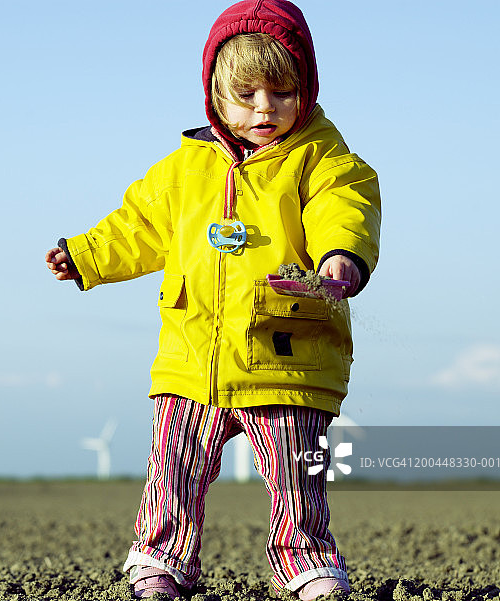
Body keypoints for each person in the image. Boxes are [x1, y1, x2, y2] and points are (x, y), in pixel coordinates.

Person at [45, 0, 380, 598]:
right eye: (245, 93)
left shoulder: (323, 158)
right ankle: (160, 559)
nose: (263, 109)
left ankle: (306, 563)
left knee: (295, 473)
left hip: (287, 349)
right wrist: (87, 254)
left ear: (306, 87)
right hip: (191, 352)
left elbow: (345, 206)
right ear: (214, 94)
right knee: (172, 471)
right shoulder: (184, 167)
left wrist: (341, 257)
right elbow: (138, 225)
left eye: (281, 92)